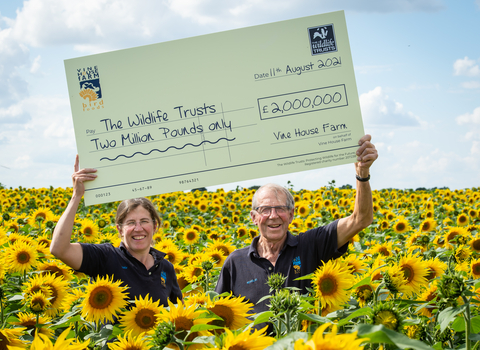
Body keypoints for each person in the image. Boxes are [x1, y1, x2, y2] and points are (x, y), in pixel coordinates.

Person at [215, 134, 378, 315]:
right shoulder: (236, 262)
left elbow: (361, 219)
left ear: (292, 214)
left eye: (280, 209)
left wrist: (362, 174)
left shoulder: (310, 245)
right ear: (254, 217)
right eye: (265, 210)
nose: (273, 216)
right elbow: (218, 314)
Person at [50, 155, 182, 307]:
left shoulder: (165, 267)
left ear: (155, 226)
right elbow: (59, 249)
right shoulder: (106, 257)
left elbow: (178, 312)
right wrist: (76, 196)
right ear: (119, 229)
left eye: (144, 221)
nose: (138, 229)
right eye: (131, 223)